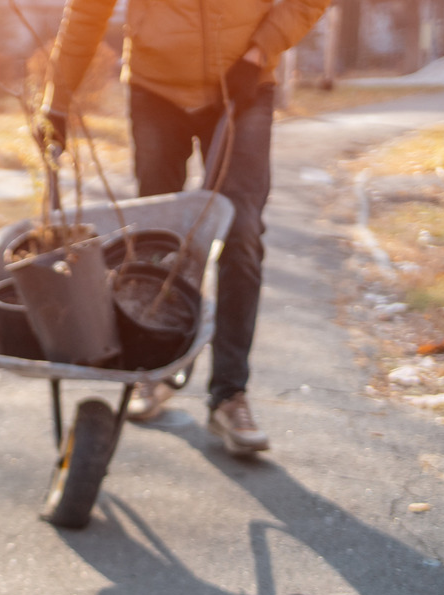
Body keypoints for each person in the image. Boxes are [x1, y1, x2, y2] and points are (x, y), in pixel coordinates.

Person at [41, 0, 330, 454]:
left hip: (245, 82)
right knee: (155, 238)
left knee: (241, 234)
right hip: (156, 89)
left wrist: (260, 52)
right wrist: (56, 103)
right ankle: (151, 370)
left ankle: (229, 395)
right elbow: (86, 11)